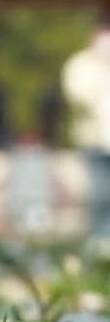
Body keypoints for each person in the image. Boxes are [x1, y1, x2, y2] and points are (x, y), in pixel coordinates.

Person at [62, 18, 110, 246]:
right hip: (95, 141)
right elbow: (78, 96)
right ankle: (100, 241)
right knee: (100, 193)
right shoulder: (82, 65)